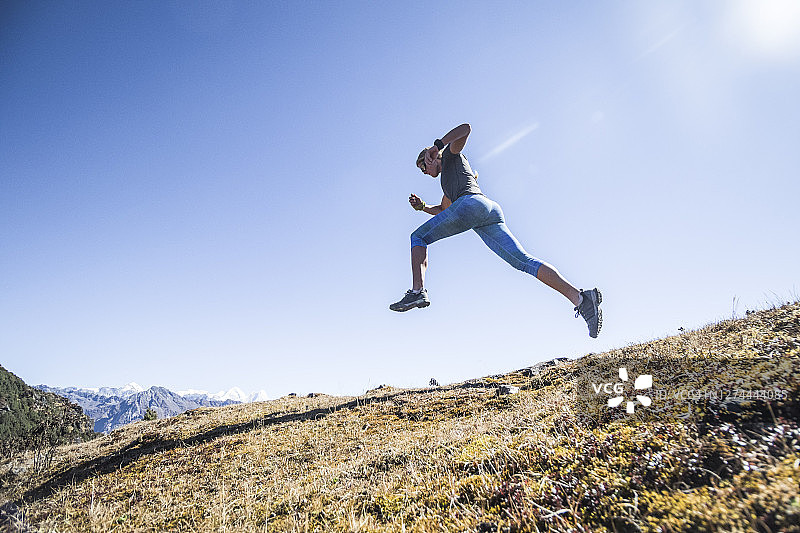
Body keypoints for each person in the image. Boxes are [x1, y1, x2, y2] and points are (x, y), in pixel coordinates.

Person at [389, 123, 603, 338]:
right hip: (487, 212)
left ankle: (417, 292)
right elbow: (445, 210)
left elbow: (465, 129)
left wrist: (438, 145)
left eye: (423, 167)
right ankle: (582, 299)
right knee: (523, 261)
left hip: (471, 205)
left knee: (418, 237)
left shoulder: (450, 157)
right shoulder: (448, 182)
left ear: (432, 158)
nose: (424, 172)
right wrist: (423, 207)